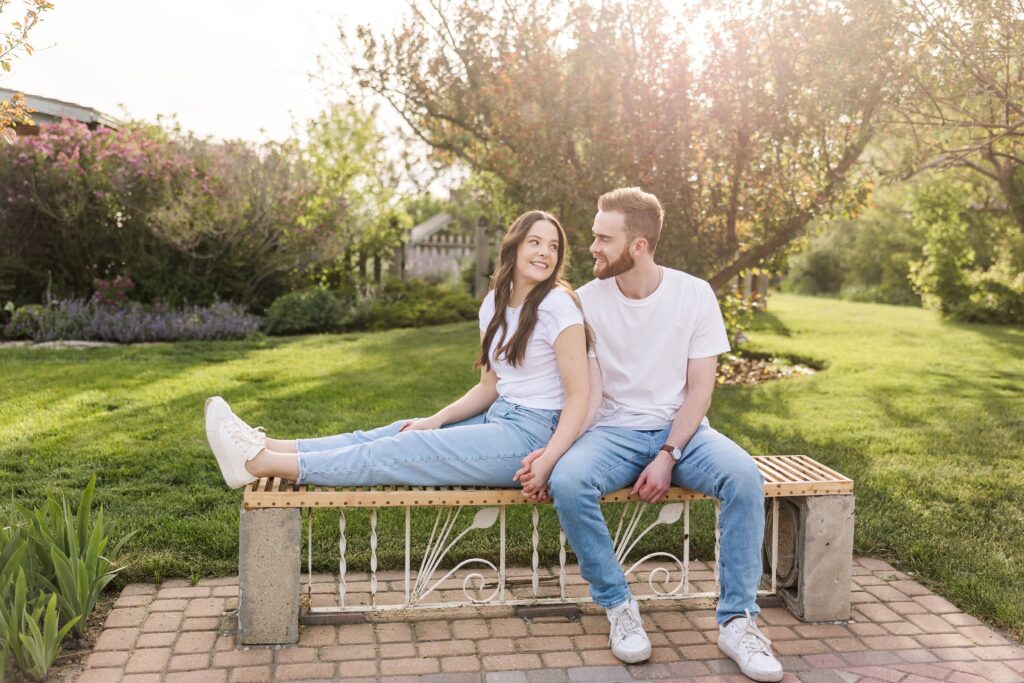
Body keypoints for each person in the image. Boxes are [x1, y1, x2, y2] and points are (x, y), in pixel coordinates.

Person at [516, 188, 783, 682]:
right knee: (571, 483)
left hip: (682, 431)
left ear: (638, 245)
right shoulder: (585, 302)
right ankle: (619, 608)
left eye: (602, 238)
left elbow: (700, 392)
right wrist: (555, 454)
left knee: (744, 476)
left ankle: (737, 622)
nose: (591, 246)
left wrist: (668, 452)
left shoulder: (694, 293)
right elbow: (589, 396)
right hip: (613, 431)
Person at [204, 210, 593, 494]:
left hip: (532, 437)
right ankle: (271, 446)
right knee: (404, 430)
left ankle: (261, 464)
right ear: (515, 247)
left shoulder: (558, 305)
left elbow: (579, 395)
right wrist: (434, 419)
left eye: (553, 246)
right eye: (535, 242)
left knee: (409, 449)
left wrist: (548, 458)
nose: (545, 253)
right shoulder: (494, 303)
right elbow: (489, 386)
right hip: (501, 417)